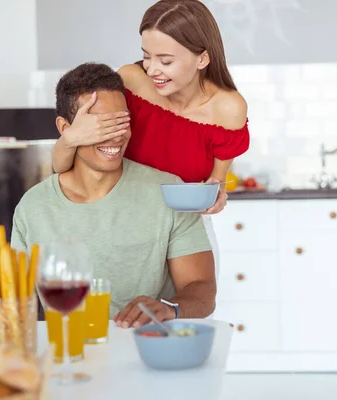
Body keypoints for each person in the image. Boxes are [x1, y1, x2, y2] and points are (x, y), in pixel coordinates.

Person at [50, 0, 250, 275]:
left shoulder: (228, 108)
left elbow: (216, 185)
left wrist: (217, 197)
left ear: (202, 58)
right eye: (147, 56)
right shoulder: (131, 81)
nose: (152, 69)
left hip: (183, 238)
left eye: (165, 61)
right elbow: (62, 166)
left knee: (187, 312)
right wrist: (72, 137)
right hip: (118, 225)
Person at [11, 62, 216, 328]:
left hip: (146, 352)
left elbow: (201, 287)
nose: (116, 136)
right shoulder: (33, 207)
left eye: (122, 122)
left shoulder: (168, 192)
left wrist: (170, 308)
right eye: (102, 125)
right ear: (65, 129)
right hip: (69, 357)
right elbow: (15, 303)